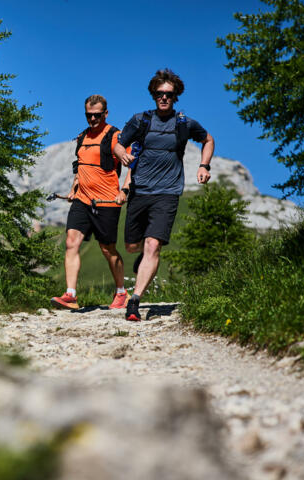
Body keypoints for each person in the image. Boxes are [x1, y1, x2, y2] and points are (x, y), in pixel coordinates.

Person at [113, 69, 215, 321]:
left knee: (153, 244)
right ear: (153, 94)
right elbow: (116, 143)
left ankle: (134, 301)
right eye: (159, 94)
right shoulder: (140, 120)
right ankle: (142, 263)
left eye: (168, 95)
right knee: (132, 245)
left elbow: (208, 140)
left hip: (167, 192)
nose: (164, 98)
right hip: (139, 191)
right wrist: (121, 154)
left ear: (175, 96)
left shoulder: (184, 123)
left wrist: (204, 165)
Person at [51, 94, 130, 310]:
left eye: (97, 115)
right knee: (71, 242)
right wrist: (73, 190)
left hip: (106, 201)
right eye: (89, 115)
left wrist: (125, 190)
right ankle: (71, 295)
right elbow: (80, 168)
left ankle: (122, 292)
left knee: (107, 249)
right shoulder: (82, 137)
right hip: (82, 200)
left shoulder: (115, 136)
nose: (93, 119)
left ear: (105, 114)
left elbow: (132, 164)